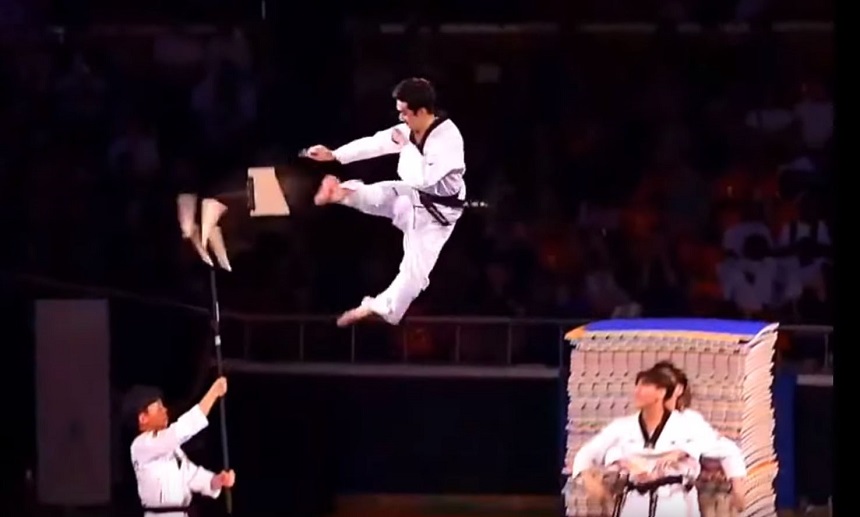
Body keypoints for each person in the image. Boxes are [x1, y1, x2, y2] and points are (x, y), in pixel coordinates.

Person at [304, 77, 467, 326]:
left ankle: (379, 308)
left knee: (415, 273)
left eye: (404, 112)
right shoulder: (410, 130)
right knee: (382, 195)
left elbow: (424, 178)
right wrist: (335, 154)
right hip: (415, 196)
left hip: (436, 214)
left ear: (421, 111)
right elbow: (377, 143)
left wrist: (406, 146)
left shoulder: (448, 141)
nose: (401, 117)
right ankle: (342, 194)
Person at [570, 366, 711, 517]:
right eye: (637, 386)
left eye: (644, 386)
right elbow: (587, 452)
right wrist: (589, 479)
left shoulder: (687, 423)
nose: (637, 391)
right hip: (635, 500)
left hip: (673, 499)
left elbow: (709, 444)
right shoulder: (622, 426)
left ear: (661, 392)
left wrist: (679, 453)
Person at [124, 377, 235, 517]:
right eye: (158, 408)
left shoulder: (173, 450)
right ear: (143, 418)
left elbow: (193, 476)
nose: (165, 410)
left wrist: (218, 480)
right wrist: (212, 394)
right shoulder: (141, 445)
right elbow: (180, 431)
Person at [653, 361, 746, 514]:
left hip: (674, 499)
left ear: (678, 389)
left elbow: (727, 449)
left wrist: (738, 487)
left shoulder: (690, 420)